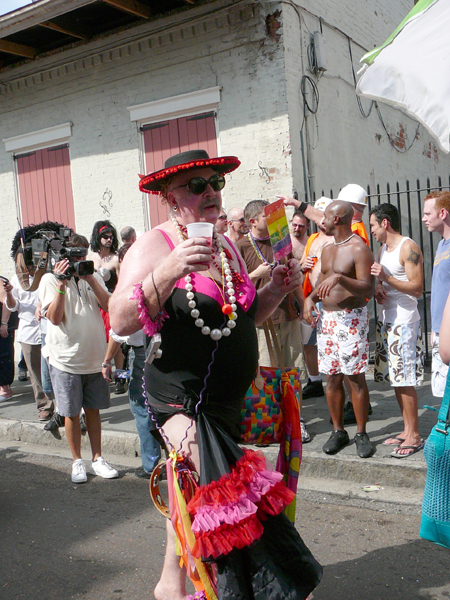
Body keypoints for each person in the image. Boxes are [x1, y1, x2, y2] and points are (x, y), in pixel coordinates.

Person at [109, 149, 322, 600]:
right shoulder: (154, 245)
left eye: (216, 183)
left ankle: (169, 585)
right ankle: (249, 590)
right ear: (170, 197)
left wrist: (274, 289)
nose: (210, 192)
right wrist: (169, 270)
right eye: (197, 185)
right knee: (226, 494)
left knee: (189, 493)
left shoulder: (224, 246)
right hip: (179, 397)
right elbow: (121, 319)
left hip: (224, 401)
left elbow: (244, 317)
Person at [39, 233, 119, 483]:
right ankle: (77, 461)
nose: (80, 259)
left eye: (83, 255)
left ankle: (98, 458)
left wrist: (90, 279)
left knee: (93, 410)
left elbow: (109, 306)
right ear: (64, 256)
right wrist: (62, 284)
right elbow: (54, 318)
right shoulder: (50, 280)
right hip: (65, 358)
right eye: (75, 256)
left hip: (93, 357)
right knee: (71, 413)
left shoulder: (91, 275)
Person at [304, 200, 376, 458]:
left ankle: (360, 432)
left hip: (351, 318)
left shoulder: (359, 248)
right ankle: (338, 431)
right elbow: (323, 282)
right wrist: (310, 299)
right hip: (328, 319)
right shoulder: (326, 249)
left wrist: (341, 278)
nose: (321, 219)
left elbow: (368, 288)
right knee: (331, 377)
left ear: (338, 219)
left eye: (326, 215)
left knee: (354, 377)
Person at [237, 200, 308, 442]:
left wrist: (304, 302)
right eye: (266, 215)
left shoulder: (281, 240)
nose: (272, 218)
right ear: (253, 221)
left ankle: (296, 422)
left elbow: (293, 273)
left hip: (287, 314)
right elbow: (234, 285)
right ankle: (268, 423)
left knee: (293, 370)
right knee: (267, 372)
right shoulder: (241, 247)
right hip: (261, 319)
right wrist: (255, 275)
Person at [370, 204, 425, 457]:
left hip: (405, 321)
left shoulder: (408, 247)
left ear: (385, 223)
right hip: (388, 319)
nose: (371, 230)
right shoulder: (384, 249)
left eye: (372, 225)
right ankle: (406, 429)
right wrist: (380, 288)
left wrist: (387, 279)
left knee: (405, 378)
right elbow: (386, 281)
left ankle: (414, 435)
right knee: (395, 377)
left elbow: (416, 288)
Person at [4, 270, 54, 421]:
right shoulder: (17, 279)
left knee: (54, 369)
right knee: (35, 372)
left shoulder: (48, 276)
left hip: (50, 328)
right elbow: (13, 306)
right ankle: (44, 405)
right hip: (28, 331)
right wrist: (9, 294)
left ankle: (61, 406)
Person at [299, 197, 333, 400]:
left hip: (329, 299)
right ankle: (314, 380)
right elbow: (303, 262)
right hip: (311, 297)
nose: (321, 221)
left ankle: (337, 386)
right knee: (309, 342)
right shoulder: (312, 239)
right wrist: (305, 264)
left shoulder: (338, 238)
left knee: (329, 344)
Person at [89, 220, 125, 393]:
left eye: (111, 236)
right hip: (94, 305)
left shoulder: (116, 258)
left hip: (111, 304)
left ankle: (121, 378)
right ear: (98, 237)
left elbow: (123, 281)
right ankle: (101, 377)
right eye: (105, 236)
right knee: (98, 343)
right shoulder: (92, 257)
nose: (109, 239)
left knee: (117, 345)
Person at [422, 190, 450, 397]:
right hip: (440, 330)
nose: (423, 219)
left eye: (427, 214)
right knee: (443, 394)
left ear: (442, 213)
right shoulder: (442, 244)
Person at [0, 279, 19, 400]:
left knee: (3, 356)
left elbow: (6, 303)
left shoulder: (0, 282)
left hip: (2, 325)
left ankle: (5, 389)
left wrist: (4, 323)